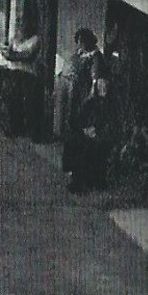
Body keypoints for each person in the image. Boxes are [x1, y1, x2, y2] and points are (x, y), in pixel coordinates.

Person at [57, 29, 104, 192]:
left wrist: (88, 102)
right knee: (71, 137)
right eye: (78, 41)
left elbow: (96, 84)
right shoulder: (79, 55)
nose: (80, 45)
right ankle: (72, 173)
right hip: (72, 100)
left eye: (83, 41)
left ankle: (82, 179)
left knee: (83, 140)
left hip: (84, 103)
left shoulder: (95, 58)